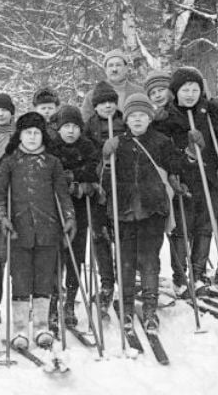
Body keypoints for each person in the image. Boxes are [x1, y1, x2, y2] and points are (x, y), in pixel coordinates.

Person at [0, 112, 75, 353]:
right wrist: (2, 218)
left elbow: (63, 195)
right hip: (19, 231)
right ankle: (19, 327)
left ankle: (40, 325)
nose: (32, 137)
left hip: (48, 230)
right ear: (19, 136)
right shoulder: (9, 162)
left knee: (44, 279)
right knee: (21, 279)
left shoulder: (52, 163)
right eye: (28, 133)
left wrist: (69, 217)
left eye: (37, 133)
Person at [100, 94, 180, 332]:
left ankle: (149, 309)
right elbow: (105, 183)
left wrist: (192, 154)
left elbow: (176, 169)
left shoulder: (162, 142)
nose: (137, 120)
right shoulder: (117, 143)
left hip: (152, 209)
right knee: (124, 261)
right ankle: (125, 308)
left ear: (150, 117)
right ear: (126, 119)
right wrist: (105, 158)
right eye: (132, 116)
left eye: (142, 115)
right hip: (123, 210)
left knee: (149, 261)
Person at [153, 67, 218, 295]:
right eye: (184, 89)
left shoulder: (209, 113)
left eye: (195, 89)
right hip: (182, 181)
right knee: (181, 229)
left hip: (208, 178)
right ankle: (180, 278)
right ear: (175, 92)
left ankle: (198, 274)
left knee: (205, 227)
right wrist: (182, 155)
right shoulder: (167, 117)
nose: (190, 94)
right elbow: (161, 149)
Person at [50, 105, 101, 329]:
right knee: (55, 257)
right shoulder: (51, 148)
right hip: (55, 208)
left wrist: (81, 182)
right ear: (59, 129)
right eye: (66, 126)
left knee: (76, 256)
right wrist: (69, 180)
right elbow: (52, 174)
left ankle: (69, 302)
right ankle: (53, 303)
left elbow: (94, 170)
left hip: (81, 208)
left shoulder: (88, 147)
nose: (70, 131)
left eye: (75, 126)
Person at [85, 81, 125, 313]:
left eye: (111, 102)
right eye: (102, 103)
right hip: (100, 191)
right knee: (100, 238)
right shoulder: (88, 126)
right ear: (95, 106)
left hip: (123, 188)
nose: (107, 106)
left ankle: (125, 279)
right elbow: (86, 154)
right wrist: (101, 154)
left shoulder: (125, 122)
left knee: (122, 235)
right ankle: (106, 283)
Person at [81, 49, 145, 122]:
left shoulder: (139, 92)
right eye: (111, 65)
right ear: (105, 69)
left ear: (126, 68)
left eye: (118, 65)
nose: (114, 69)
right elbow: (85, 124)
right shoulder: (92, 95)